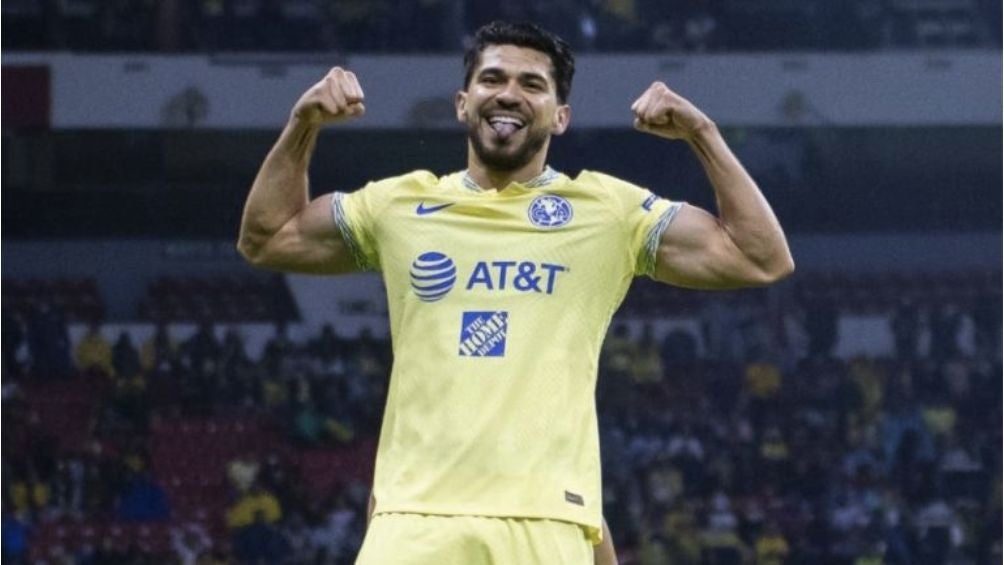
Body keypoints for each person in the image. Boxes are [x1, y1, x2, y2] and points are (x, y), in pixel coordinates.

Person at [238, 20, 793, 565]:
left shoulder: (607, 212)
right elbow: (268, 238)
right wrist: (302, 122)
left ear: (560, 116)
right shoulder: (398, 205)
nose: (509, 94)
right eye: (493, 79)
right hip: (414, 523)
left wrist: (703, 134)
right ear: (462, 102)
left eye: (532, 85)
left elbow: (759, 256)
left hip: (547, 524)